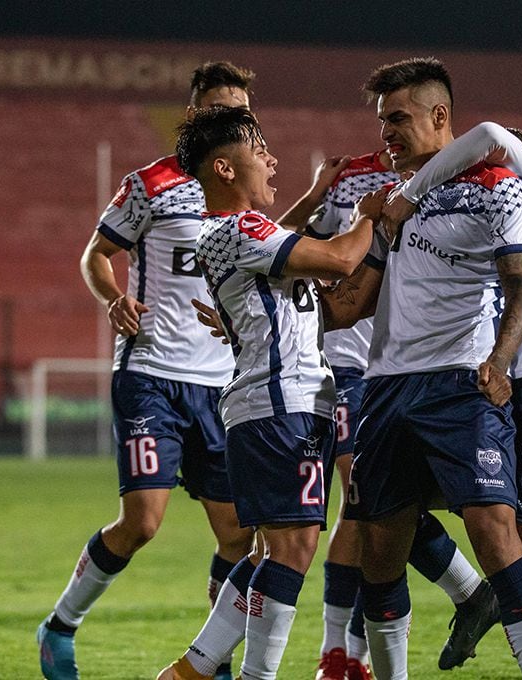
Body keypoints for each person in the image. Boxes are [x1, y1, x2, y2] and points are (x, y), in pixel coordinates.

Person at [318, 57, 522, 679]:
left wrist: (501, 360)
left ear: (440, 116)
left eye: (397, 119)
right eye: (381, 122)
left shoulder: (493, 183)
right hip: (386, 388)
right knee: (379, 548)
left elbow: (519, 283)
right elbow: (346, 307)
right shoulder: (385, 203)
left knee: (495, 531)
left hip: (460, 383)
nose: (386, 133)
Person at [36, 61, 256, 680]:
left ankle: (210, 662)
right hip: (153, 373)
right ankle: (59, 627)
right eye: (217, 111)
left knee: (240, 537)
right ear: (194, 115)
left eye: (239, 113)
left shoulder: (248, 189)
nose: (230, 122)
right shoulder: (151, 185)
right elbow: (96, 254)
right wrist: (113, 297)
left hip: (223, 384)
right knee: (144, 522)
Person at [158, 104, 384, 680]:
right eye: (259, 150)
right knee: (293, 551)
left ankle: (194, 668)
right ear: (224, 168)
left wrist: (312, 198)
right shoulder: (240, 230)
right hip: (279, 405)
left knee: (268, 552)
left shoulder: (234, 234)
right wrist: (372, 214)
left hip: (272, 405)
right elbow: (338, 259)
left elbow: (287, 245)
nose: (271, 157)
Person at [384, 121, 522, 679]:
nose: (478, 173)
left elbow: (487, 132)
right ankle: (473, 593)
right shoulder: (493, 214)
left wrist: (406, 194)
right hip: (497, 395)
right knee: (389, 506)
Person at [277, 153, 499, 679]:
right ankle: (347, 654)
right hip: (337, 365)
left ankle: (350, 653)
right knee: (360, 509)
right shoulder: (349, 180)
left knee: (367, 500)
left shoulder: (450, 184)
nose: (388, 134)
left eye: (396, 118)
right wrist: (317, 197)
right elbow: (272, 246)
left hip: (388, 369)